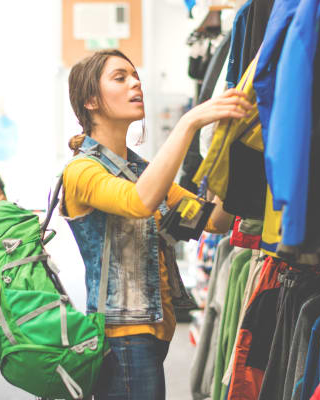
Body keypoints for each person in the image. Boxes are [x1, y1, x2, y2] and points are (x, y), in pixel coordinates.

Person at [61, 49, 252, 400]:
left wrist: (229, 149)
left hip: (154, 333)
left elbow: (216, 221)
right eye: (120, 78)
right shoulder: (81, 171)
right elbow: (138, 202)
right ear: (90, 100)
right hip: (122, 340)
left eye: (136, 76)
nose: (136, 83)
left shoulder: (143, 170)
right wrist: (187, 123)